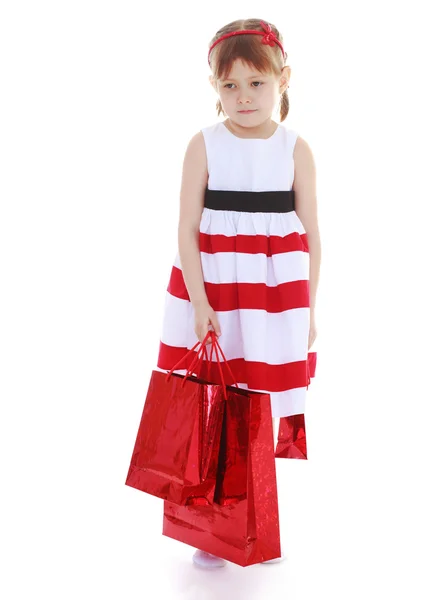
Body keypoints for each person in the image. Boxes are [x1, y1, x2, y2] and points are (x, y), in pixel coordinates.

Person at [156, 17, 321, 569]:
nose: (244, 97)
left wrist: (310, 309)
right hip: (215, 290)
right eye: (230, 85)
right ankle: (214, 525)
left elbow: (311, 232)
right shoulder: (203, 145)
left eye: (257, 83)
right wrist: (200, 302)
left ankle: (253, 519)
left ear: (284, 79)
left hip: (274, 297)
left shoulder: (296, 149)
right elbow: (186, 227)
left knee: (259, 400)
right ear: (213, 86)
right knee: (216, 401)